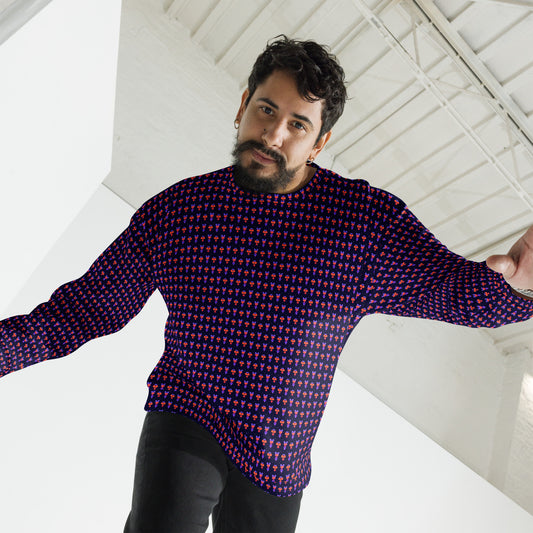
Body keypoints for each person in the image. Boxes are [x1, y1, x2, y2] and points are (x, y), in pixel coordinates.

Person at [1, 35, 533, 533]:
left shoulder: (362, 224)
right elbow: (79, 312)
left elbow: (452, 291)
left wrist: (520, 288)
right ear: (243, 107)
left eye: (298, 125)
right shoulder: (180, 212)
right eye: (266, 110)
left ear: (319, 143)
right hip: (188, 412)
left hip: (279, 460)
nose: (274, 135)